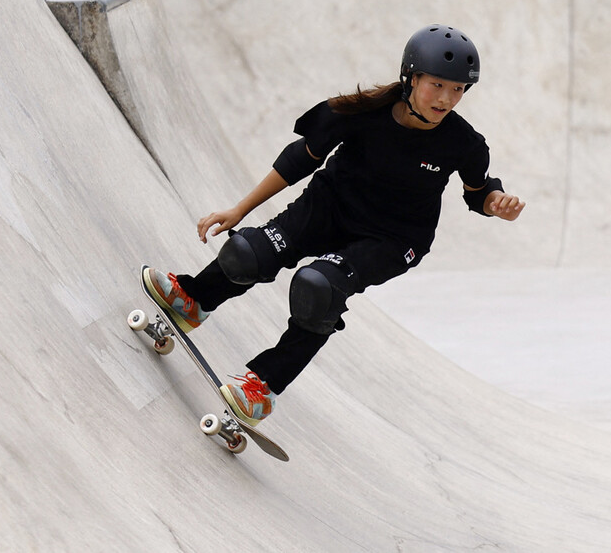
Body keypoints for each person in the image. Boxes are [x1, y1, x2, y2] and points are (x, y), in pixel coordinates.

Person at [144, 24, 524, 427]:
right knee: (246, 254)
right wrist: (239, 210)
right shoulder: (359, 112)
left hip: (393, 239)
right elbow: (298, 160)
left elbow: (478, 190)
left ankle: (262, 388)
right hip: (329, 207)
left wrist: (495, 203)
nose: (447, 99)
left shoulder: (463, 142)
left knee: (319, 289)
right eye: (437, 85)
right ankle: (193, 299)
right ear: (411, 78)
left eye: (459, 89)